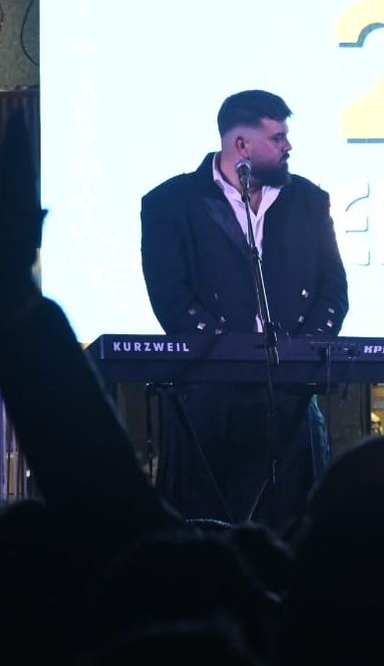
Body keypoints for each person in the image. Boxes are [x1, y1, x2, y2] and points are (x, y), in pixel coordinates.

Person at [140, 89, 348, 528]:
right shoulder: (169, 203)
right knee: (207, 527)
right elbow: (170, 296)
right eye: (277, 137)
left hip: (291, 394)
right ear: (241, 145)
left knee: (299, 524)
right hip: (209, 398)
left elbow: (333, 288)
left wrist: (301, 351)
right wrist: (230, 353)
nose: (288, 146)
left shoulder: (309, 200)